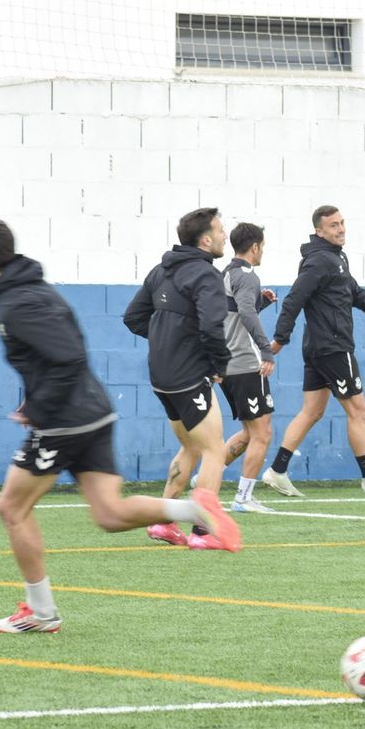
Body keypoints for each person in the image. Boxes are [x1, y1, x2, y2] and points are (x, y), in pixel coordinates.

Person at [0, 218, 242, 634]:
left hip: (63, 421)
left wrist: (39, 404)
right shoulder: (35, 290)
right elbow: (68, 346)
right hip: (93, 413)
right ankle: (194, 508)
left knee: (11, 508)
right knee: (110, 514)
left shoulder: (17, 304)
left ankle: (41, 613)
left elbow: (69, 356)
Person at [261, 206, 365, 497]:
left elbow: (355, 294)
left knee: (312, 411)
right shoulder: (319, 262)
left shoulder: (337, 258)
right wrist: (279, 339)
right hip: (332, 348)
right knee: (359, 410)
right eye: (333, 226)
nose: (340, 229)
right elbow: (293, 301)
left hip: (319, 349)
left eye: (342, 223)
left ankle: (277, 470)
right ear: (319, 231)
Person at [122, 208, 240, 550]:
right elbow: (210, 327)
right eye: (220, 230)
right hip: (189, 376)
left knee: (190, 446)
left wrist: (166, 342)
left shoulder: (161, 270)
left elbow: (133, 317)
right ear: (205, 240)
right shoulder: (206, 276)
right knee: (215, 450)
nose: (224, 235)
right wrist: (219, 364)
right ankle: (203, 532)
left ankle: (163, 522)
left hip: (161, 377)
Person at [218, 221, 280, 513]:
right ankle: (243, 498)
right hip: (245, 362)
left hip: (227, 364)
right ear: (255, 246)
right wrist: (266, 351)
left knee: (248, 432)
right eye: (263, 245)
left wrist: (260, 304)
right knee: (262, 433)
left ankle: (203, 477)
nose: (263, 250)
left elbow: (235, 312)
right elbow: (244, 311)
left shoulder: (226, 274)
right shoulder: (246, 276)